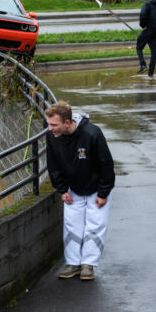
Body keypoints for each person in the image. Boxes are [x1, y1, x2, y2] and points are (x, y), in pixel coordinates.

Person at [43, 101, 115, 281]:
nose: (50, 128)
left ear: (67, 122)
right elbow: (53, 164)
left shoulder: (92, 134)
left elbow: (106, 164)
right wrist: (62, 189)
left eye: (54, 124)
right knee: (72, 225)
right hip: (73, 188)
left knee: (95, 225)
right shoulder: (53, 137)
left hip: (96, 188)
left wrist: (103, 193)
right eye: (49, 124)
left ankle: (88, 265)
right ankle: (73, 263)